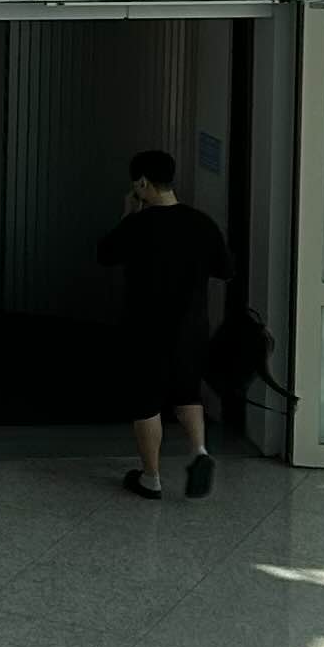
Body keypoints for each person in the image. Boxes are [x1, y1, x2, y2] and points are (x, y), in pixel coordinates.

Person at [97, 147, 229, 500]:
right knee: (187, 391)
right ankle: (199, 451)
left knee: (146, 400)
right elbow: (225, 269)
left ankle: (151, 477)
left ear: (142, 183)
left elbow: (104, 254)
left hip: (147, 327)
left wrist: (128, 215)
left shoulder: (139, 225)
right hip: (192, 326)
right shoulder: (202, 223)